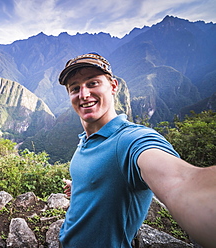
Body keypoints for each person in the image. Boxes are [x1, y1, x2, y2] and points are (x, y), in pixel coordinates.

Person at [58, 52, 216, 248]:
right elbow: (105, 176)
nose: (83, 94)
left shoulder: (131, 141)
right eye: (75, 88)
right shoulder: (86, 139)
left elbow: (181, 180)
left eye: (92, 83)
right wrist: (82, 188)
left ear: (113, 86)